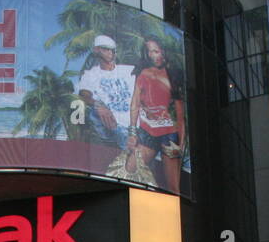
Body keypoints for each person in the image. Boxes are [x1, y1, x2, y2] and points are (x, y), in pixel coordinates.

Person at [126, 37, 187, 194]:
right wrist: (132, 132)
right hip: (147, 131)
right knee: (130, 171)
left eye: (157, 50)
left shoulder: (172, 76)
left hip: (169, 134)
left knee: (173, 187)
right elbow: (135, 104)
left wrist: (181, 144)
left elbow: (180, 116)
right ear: (147, 55)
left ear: (164, 51)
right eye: (151, 51)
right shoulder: (143, 75)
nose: (156, 55)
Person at [75, 34, 136, 150]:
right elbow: (84, 95)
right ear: (96, 50)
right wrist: (98, 105)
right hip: (113, 126)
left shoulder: (129, 70)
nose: (110, 53)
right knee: (93, 113)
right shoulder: (90, 74)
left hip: (134, 126)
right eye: (106, 49)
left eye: (112, 50)